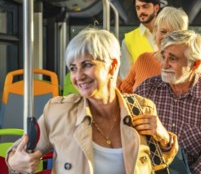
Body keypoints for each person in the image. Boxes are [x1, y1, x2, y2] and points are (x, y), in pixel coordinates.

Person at [6, 28, 178, 174]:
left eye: (87, 64)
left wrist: (164, 138)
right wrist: (15, 162)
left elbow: (160, 162)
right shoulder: (58, 112)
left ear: (112, 66)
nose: (78, 76)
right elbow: (16, 153)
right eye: (73, 68)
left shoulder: (141, 108)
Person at [135, 30, 201, 174]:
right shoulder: (147, 89)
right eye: (163, 57)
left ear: (195, 64)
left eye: (172, 59)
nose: (164, 65)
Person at [120, 6, 189, 93]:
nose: (167, 38)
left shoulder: (191, 66)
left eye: (174, 34)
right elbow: (124, 92)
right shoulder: (143, 60)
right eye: (163, 31)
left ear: (183, 37)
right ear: (155, 32)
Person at [119, 0, 161, 79]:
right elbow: (125, 77)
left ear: (156, 8)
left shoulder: (170, 33)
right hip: (140, 92)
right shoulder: (128, 41)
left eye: (145, 6)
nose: (141, 11)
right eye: (138, 8)